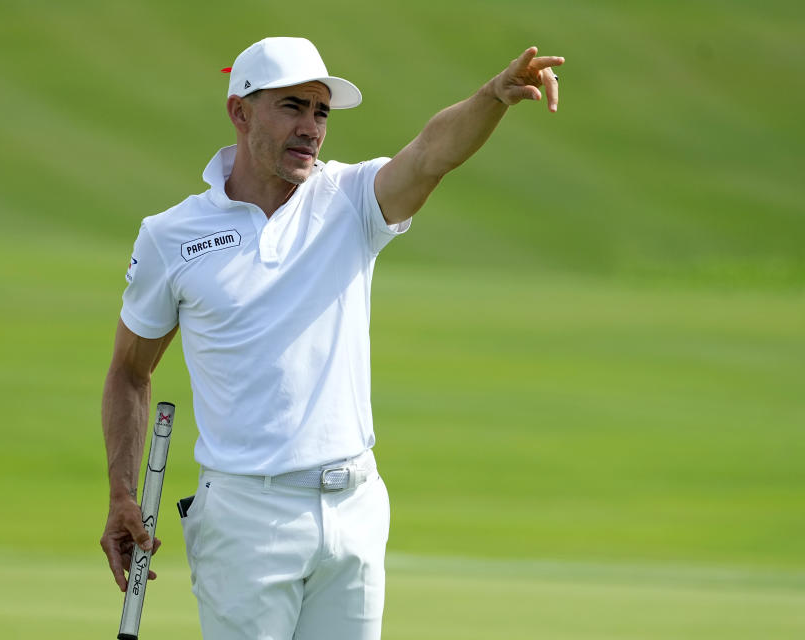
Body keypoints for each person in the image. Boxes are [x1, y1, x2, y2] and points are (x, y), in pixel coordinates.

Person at [101, 36, 563, 640]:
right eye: (292, 107)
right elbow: (130, 372)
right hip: (245, 516)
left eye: (321, 112)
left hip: (354, 507)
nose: (312, 128)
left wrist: (494, 97)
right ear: (240, 111)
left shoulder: (350, 199)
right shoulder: (172, 236)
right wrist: (121, 495)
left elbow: (430, 155)